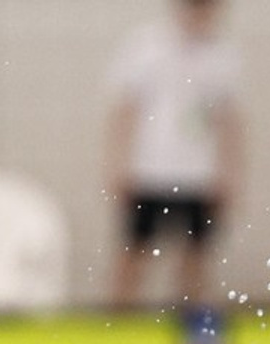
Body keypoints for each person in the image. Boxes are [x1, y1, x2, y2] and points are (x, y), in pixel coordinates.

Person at [104, 0, 243, 308]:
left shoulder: (224, 54)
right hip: (148, 171)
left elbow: (229, 122)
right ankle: (115, 333)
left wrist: (229, 176)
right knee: (132, 258)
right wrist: (117, 167)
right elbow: (125, 111)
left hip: (200, 176)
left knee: (195, 262)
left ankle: (191, 341)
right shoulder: (145, 46)